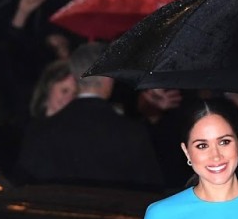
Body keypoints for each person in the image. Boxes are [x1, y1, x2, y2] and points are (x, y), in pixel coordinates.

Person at [15, 42, 164, 190]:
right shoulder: (132, 133)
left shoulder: (40, 131)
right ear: (108, 79)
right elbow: (150, 191)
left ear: (75, 76)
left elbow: (24, 188)